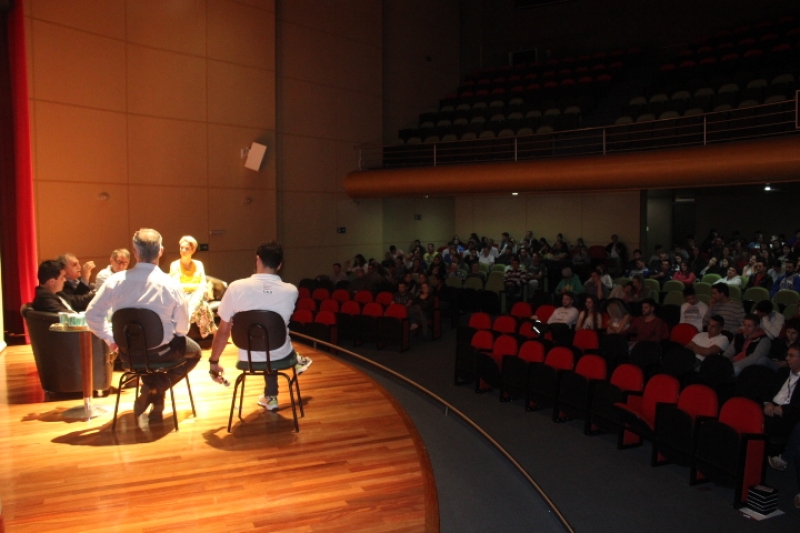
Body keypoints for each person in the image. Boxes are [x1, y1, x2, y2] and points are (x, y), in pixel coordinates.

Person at [85, 228, 202, 421]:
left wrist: (110, 339)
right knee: (195, 352)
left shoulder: (115, 281)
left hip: (128, 353)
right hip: (162, 351)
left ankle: (154, 393)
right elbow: (182, 329)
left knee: (146, 352)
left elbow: (92, 315)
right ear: (161, 251)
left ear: (135, 252)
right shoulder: (171, 284)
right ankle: (158, 387)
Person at [207, 240, 311, 412]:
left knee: (264, 339)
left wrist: (214, 362)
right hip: (280, 354)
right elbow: (268, 300)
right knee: (272, 339)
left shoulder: (235, 288)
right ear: (280, 265)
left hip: (248, 358)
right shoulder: (292, 291)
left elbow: (223, 332)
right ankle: (293, 366)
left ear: (257, 260)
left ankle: (271, 396)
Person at [169, 235, 217, 339]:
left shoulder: (199, 264)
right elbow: (177, 286)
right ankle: (214, 332)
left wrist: (196, 287)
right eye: (181, 247)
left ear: (193, 250)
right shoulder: (175, 265)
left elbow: (203, 283)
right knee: (203, 305)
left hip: (198, 294)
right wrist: (196, 286)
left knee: (200, 292)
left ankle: (188, 316)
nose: (183, 250)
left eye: (186, 248)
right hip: (183, 295)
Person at [765, 344, 800, 473]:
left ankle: (783, 458)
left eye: (791, 356)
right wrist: (767, 403)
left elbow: (798, 407)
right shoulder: (783, 372)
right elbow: (768, 390)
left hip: (788, 413)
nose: (787, 358)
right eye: (787, 355)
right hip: (771, 407)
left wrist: (784, 410)